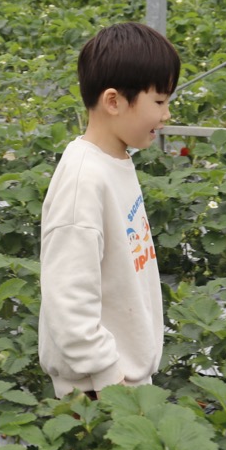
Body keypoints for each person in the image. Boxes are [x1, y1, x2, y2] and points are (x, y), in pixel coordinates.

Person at [38, 22, 181, 397]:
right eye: (160, 102)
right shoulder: (83, 180)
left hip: (123, 378)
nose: (166, 115)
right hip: (98, 392)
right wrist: (108, 375)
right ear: (114, 101)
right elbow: (69, 298)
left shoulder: (115, 161)